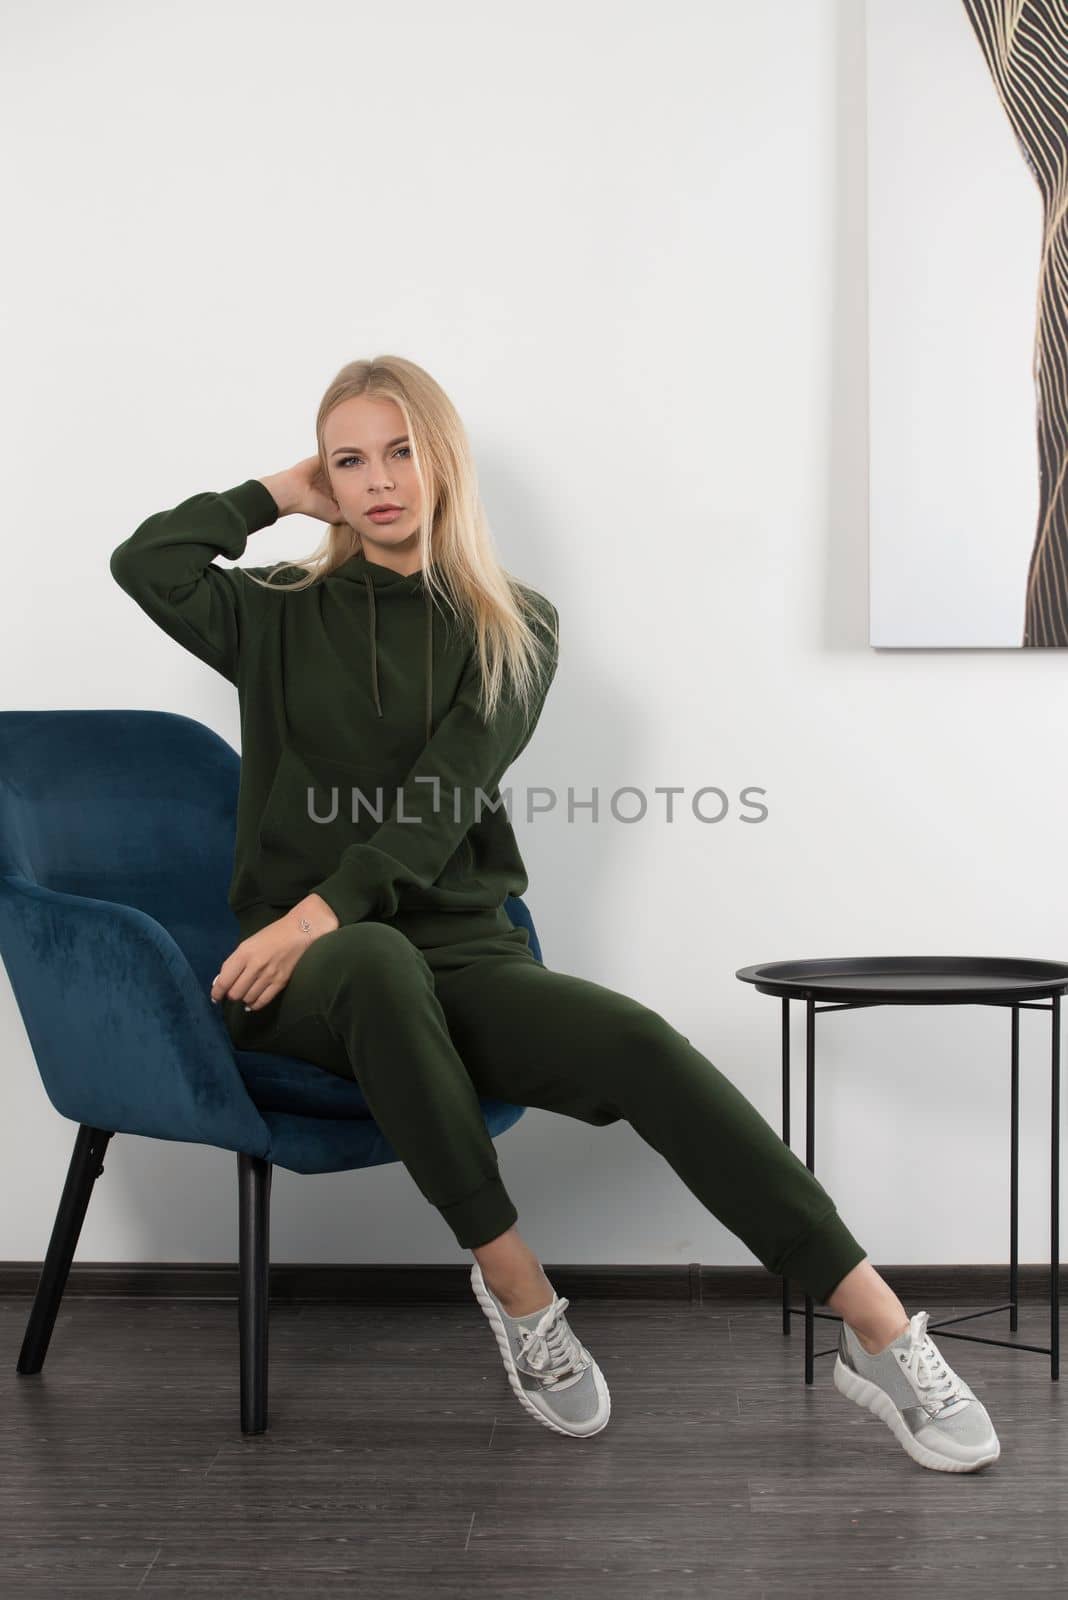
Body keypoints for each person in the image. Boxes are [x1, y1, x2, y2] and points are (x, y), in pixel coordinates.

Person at [109, 353, 999, 1470]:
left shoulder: (511, 624)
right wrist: (273, 496)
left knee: (633, 1039)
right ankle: (521, 1292)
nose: (380, 480)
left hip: (465, 959)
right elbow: (145, 560)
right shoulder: (275, 613)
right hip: (311, 982)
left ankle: (873, 1323)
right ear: (325, 478)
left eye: (403, 451)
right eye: (351, 460)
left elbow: (437, 808)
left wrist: (314, 908)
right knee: (375, 957)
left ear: (445, 462)